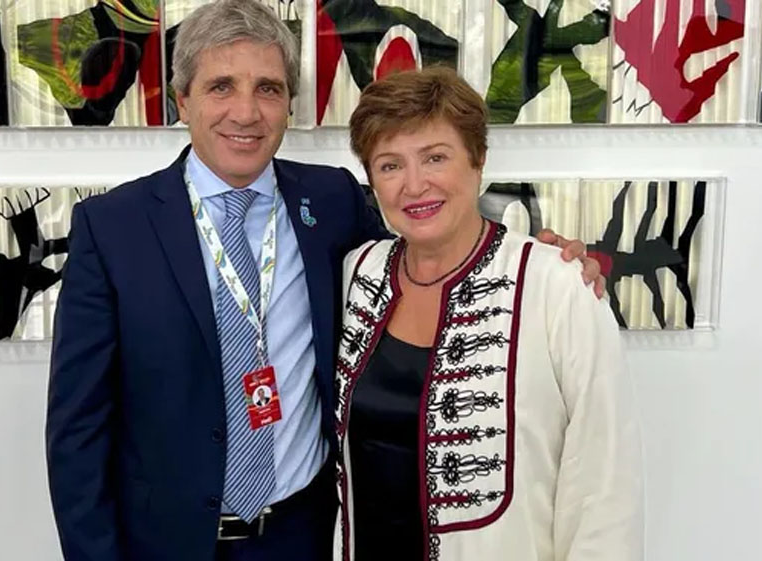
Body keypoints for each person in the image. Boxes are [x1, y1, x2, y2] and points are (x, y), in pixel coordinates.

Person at [46, 2, 602, 560]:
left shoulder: (331, 200)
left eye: (268, 88)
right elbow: (77, 431)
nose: (246, 112)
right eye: (221, 87)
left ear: (289, 103)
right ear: (182, 99)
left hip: (304, 536)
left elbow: (425, 249)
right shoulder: (113, 228)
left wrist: (538, 259)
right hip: (165, 543)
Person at [334, 67, 643, 561]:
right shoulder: (358, 271)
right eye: (390, 165)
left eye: (435, 158)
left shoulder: (558, 285)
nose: (414, 184)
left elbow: (603, 484)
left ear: (477, 161)